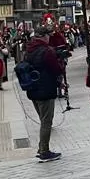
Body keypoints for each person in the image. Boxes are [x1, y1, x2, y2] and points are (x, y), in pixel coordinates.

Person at [21, 26, 64, 162]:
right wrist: (60, 64)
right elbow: (55, 69)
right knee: (46, 122)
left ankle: (42, 148)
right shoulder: (47, 51)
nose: (49, 37)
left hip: (33, 90)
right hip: (45, 90)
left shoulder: (29, 50)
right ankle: (44, 151)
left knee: (43, 120)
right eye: (48, 35)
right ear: (44, 36)